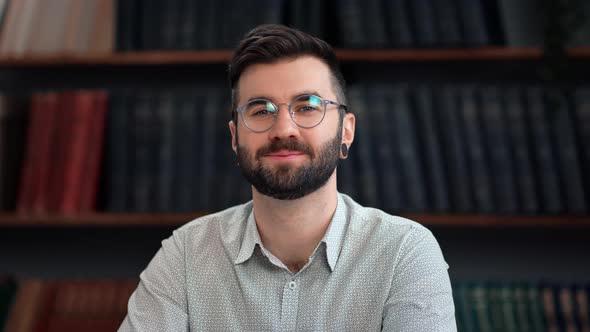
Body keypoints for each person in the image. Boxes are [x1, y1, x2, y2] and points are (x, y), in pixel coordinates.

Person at [119, 24, 456, 331]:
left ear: (346, 130)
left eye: (308, 105)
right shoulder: (186, 256)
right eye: (261, 110)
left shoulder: (403, 252)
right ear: (235, 138)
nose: (283, 129)